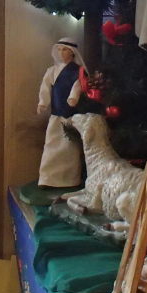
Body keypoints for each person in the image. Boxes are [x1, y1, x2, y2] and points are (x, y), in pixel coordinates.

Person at [37, 38, 87, 188]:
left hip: (71, 116)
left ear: (72, 52)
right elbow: (45, 87)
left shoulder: (78, 71)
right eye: (59, 49)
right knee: (51, 145)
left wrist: (73, 97)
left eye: (64, 49)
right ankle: (48, 178)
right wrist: (43, 102)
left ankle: (70, 179)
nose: (61, 52)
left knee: (70, 148)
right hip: (56, 115)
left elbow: (78, 85)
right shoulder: (52, 71)